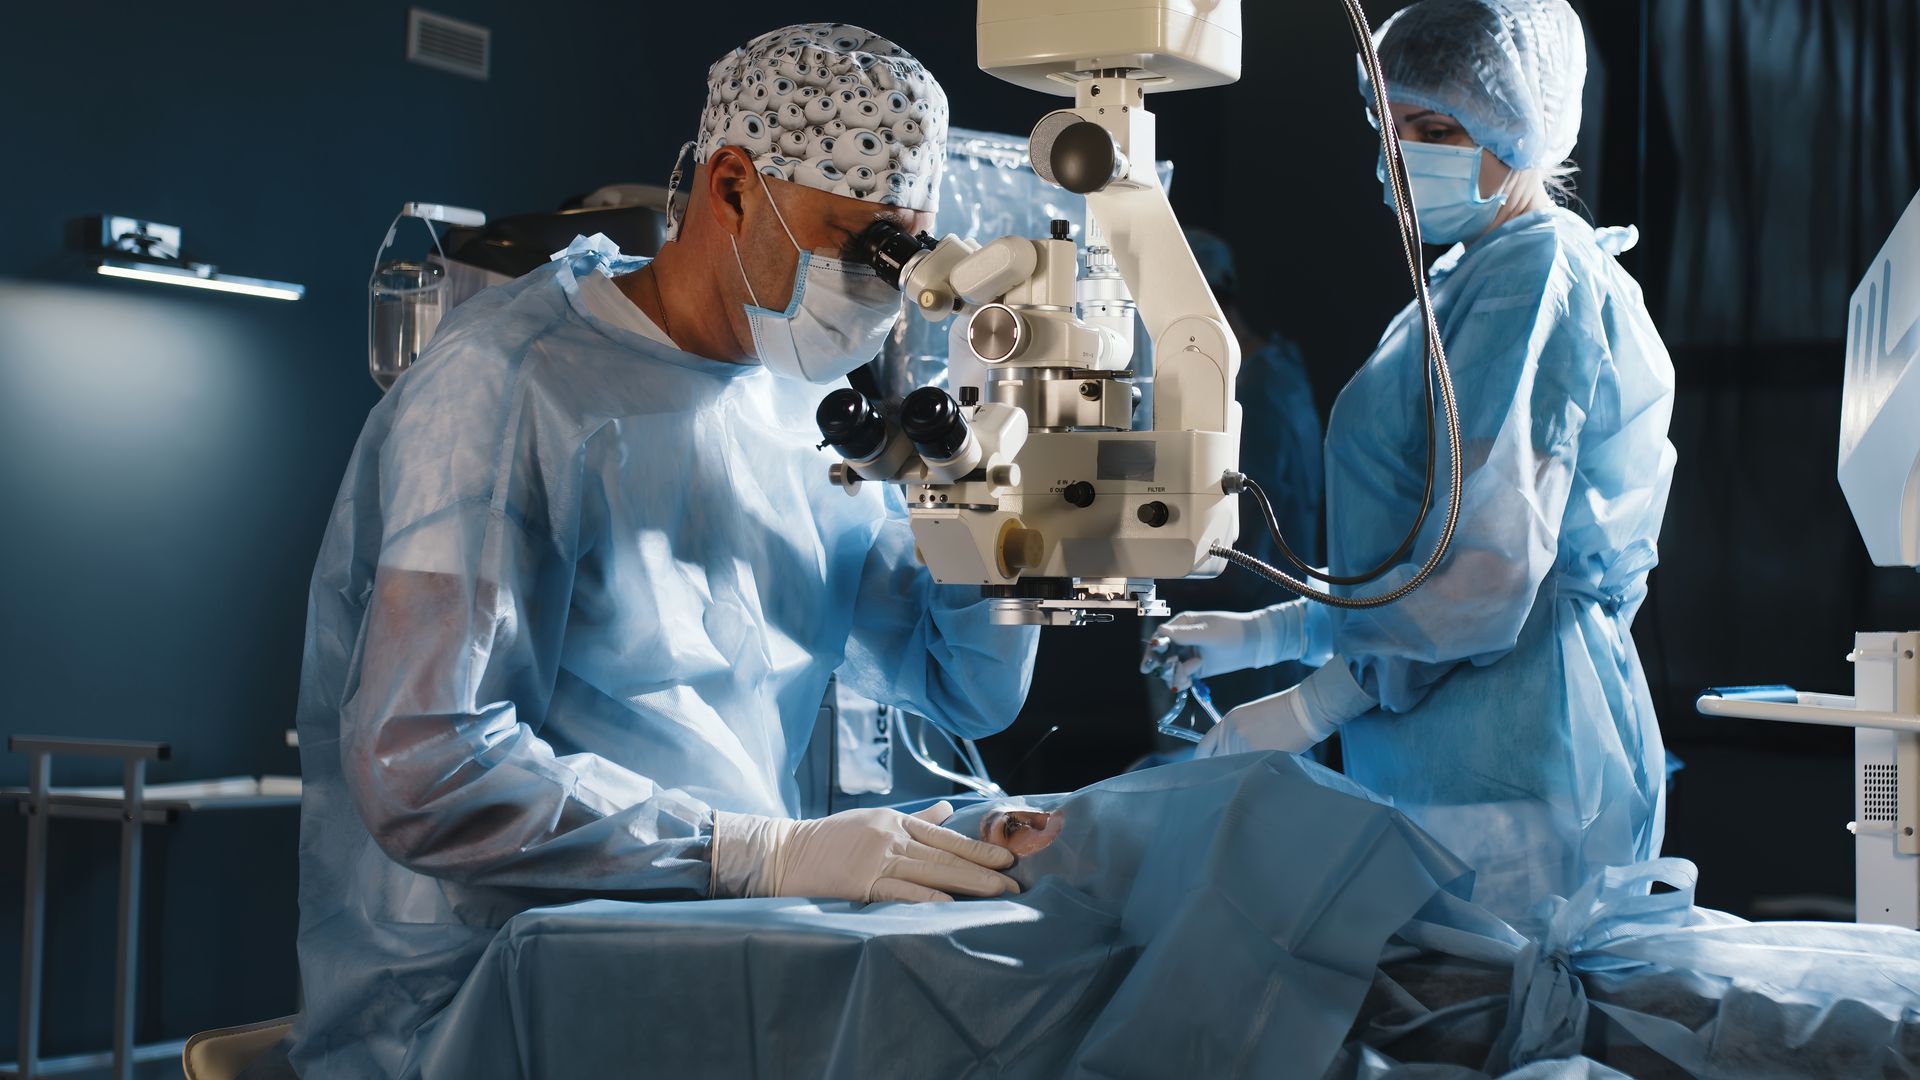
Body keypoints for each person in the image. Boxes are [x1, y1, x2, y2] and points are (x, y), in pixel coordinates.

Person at [291, 24, 1039, 1078]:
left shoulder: (796, 414)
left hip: (710, 966)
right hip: (490, 1002)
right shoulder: (509, 386)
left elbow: (962, 690)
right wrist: (752, 850)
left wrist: (991, 526)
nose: (880, 289)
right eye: (857, 242)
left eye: (904, 252)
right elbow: (425, 767)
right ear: (732, 185)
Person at [1146, 0, 1676, 924]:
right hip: (1445, 759)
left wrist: (1311, 705)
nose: (1400, 151)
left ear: (1522, 125)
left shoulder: (1534, 272)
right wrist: (1267, 635)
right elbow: (1413, 564)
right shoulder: (1463, 280)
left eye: (1433, 127)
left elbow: (1483, 577)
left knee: (1494, 1047)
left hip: (1512, 768)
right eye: (1387, 124)